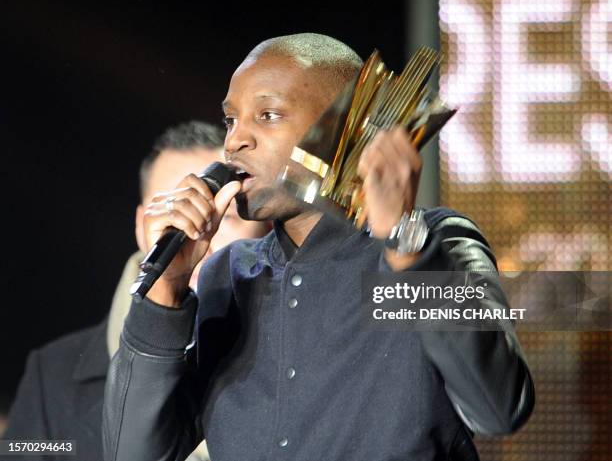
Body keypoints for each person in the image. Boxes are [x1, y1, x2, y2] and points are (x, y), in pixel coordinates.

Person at [102, 34, 535, 461]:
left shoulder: (434, 244)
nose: (234, 140)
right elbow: (133, 452)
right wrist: (166, 288)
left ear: (342, 128)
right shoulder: (228, 276)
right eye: (231, 119)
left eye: (268, 115)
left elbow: (497, 407)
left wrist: (405, 243)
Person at [1, 121, 270, 461]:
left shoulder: (297, 354)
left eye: (224, 216)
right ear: (141, 224)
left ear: (265, 224)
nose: (197, 232)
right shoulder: (53, 372)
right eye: (174, 210)